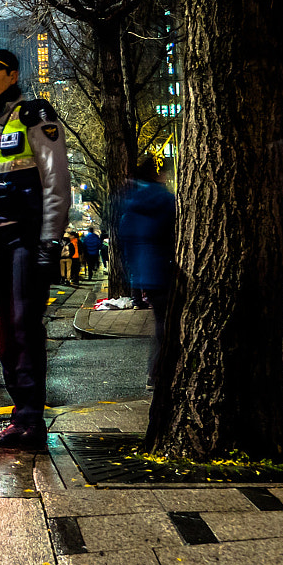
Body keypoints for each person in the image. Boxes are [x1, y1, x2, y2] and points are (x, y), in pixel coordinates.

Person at [0, 47, 69, 446]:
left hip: (25, 239)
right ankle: (19, 411)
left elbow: (56, 183)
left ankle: (30, 418)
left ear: (13, 75)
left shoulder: (34, 115)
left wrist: (49, 242)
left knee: (24, 326)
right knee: (3, 329)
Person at [116, 157, 176, 391]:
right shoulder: (164, 198)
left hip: (145, 272)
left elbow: (126, 240)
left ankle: (157, 372)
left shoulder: (130, 204)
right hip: (164, 266)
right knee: (166, 324)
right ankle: (159, 372)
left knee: (161, 322)